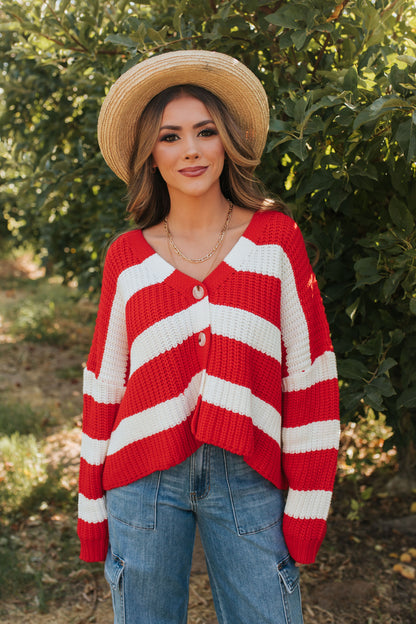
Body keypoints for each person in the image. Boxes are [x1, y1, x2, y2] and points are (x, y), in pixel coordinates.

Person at [77, 49, 340, 624]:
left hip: (248, 477)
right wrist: (90, 511)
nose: (191, 150)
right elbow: (104, 385)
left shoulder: (276, 242)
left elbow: (311, 373)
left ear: (228, 142)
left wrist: (308, 505)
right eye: (170, 136)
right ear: (150, 152)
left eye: (206, 131)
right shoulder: (126, 259)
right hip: (142, 481)